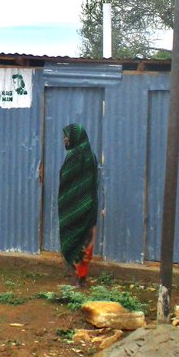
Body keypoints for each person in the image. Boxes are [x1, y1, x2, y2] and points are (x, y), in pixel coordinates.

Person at [58, 123, 99, 287]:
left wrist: (68, 200)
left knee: (74, 239)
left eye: (66, 137)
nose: (65, 140)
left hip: (74, 206)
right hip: (89, 205)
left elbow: (68, 181)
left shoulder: (74, 156)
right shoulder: (91, 155)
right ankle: (81, 277)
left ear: (75, 137)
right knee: (85, 240)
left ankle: (77, 278)